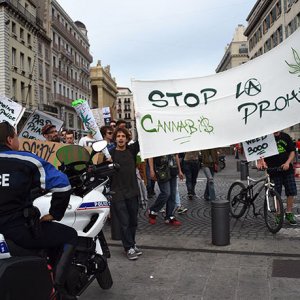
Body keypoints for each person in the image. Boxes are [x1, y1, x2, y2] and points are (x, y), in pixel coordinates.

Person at [0, 121, 78, 299]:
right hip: (18, 231)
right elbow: (62, 185)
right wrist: (55, 213)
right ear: (10, 139)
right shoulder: (26, 160)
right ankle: (56, 289)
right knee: (70, 235)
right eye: (17, 136)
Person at [109, 127, 142, 260]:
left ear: (127, 139)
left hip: (132, 191)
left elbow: (141, 140)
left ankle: (132, 244)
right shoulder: (110, 154)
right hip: (118, 193)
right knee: (124, 222)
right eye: (118, 136)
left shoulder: (132, 150)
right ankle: (128, 247)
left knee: (133, 221)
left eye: (123, 136)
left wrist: (138, 119)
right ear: (115, 139)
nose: (121, 138)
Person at [257, 131, 297, 225]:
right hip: (273, 170)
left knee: (291, 191)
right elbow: (260, 152)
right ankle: (278, 214)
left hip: (287, 169)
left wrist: (288, 162)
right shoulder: (266, 138)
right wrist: (261, 161)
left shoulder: (286, 136)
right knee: (276, 193)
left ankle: (289, 213)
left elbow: (292, 151)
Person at [148, 154, 184, 225]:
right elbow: (151, 155)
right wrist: (151, 170)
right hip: (162, 170)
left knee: (172, 194)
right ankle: (153, 210)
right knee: (166, 193)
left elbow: (176, 155)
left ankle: (169, 215)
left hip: (173, 169)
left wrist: (179, 170)